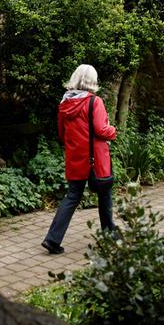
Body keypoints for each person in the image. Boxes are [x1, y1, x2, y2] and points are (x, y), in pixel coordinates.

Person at [42, 64, 117, 255]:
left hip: (75, 157)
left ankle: (52, 239)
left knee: (72, 196)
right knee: (104, 193)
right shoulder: (95, 102)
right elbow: (101, 129)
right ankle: (110, 234)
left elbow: (61, 133)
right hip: (95, 159)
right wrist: (113, 130)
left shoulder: (64, 103)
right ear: (93, 81)